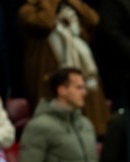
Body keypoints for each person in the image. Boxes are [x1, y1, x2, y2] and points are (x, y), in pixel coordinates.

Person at [18, 0, 109, 137]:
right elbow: (45, 24)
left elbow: (93, 19)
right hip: (51, 83)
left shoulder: (70, 10)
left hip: (82, 78)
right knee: (58, 134)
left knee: (89, 131)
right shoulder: (28, 11)